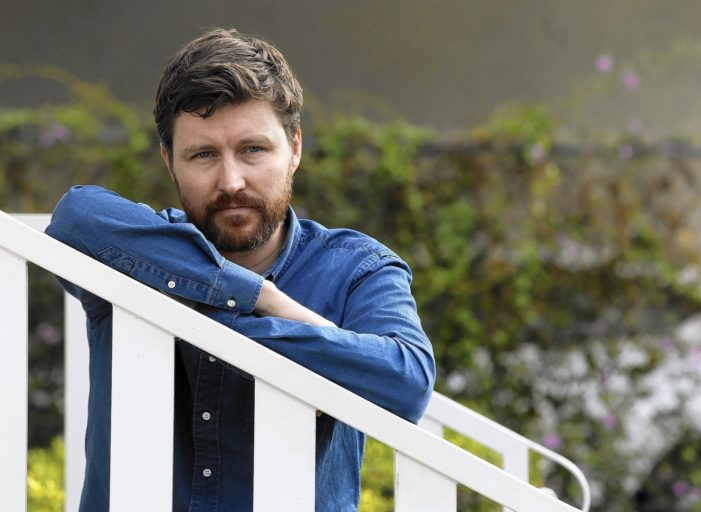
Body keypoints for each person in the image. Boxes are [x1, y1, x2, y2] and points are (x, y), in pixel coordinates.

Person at [45, 28, 435, 512]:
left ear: (294, 149)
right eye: (203, 154)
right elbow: (74, 218)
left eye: (253, 149)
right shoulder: (131, 253)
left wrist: (203, 318)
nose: (231, 181)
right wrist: (262, 299)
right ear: (169, 161)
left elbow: (406, 384)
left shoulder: (357, 268)